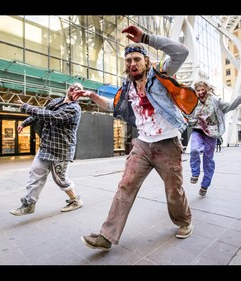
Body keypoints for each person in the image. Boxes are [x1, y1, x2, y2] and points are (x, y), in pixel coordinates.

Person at [73, 25, 193, 251]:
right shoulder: (127, 85)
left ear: (146, 61)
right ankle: (106, 236)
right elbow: (113, 106)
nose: (132, 64)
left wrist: (146, 38)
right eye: (128, 61)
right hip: (142, 145)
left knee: (173, 191)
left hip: (167, 144)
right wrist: (92, 96)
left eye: (137, 59)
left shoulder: (160, 74)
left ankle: (184, 220)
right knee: (125, 185)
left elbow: (181, 53)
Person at [10, 82, 83, 216]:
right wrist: (24, 123)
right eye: (74, 88)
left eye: (79, 90)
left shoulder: (74, 108)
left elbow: (51, 116)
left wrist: (26, 107)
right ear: (69, 89)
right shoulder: (56, 101)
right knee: (35, 172)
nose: (76, 90)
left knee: (60, 179)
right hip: (46, 146)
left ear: (80, 95)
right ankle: (29, 204)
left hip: (61, 150)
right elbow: (41, 114)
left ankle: (75, 200)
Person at [188, 81, 241, 196]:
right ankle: (195, 173)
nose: (200, 92)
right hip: (197, 131)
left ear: (207, 90)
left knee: (208, 160)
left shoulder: (216, 100)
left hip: (211, 133)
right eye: (198, 90)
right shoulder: (193, 101)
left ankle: (205, 185)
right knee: (194, 150)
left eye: (203, 89)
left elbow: (231, 105)